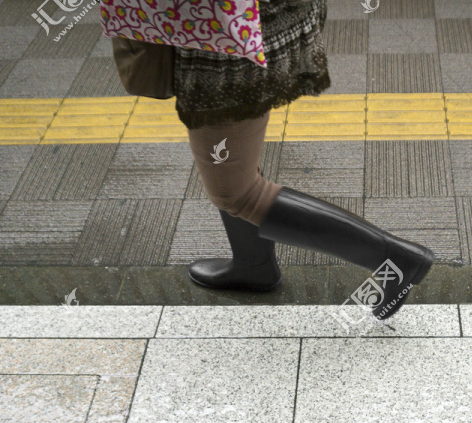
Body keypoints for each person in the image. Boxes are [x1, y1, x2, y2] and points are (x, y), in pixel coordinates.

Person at [129, 0, 433, 320]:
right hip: (243, 24)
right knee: (236, 166)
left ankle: (398, 261)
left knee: (236, 191)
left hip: (224, 37)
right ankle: (252, 265)